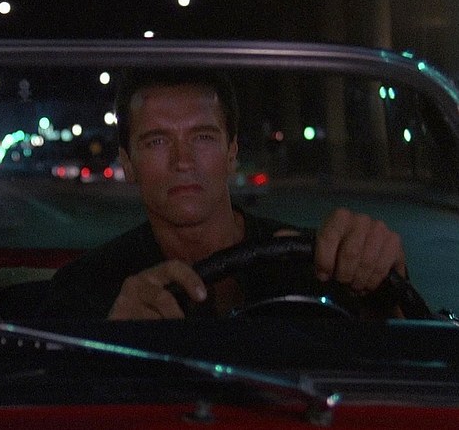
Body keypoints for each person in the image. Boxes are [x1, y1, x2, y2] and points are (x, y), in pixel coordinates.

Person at [37, 69, 408, 320]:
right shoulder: (84, 288)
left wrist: (377, 270)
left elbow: (399, 362)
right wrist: (113, 342)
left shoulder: (316, 261)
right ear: (128, 164)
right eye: (157, 141)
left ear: (232, 153)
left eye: (202, 137)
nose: (183, 161)